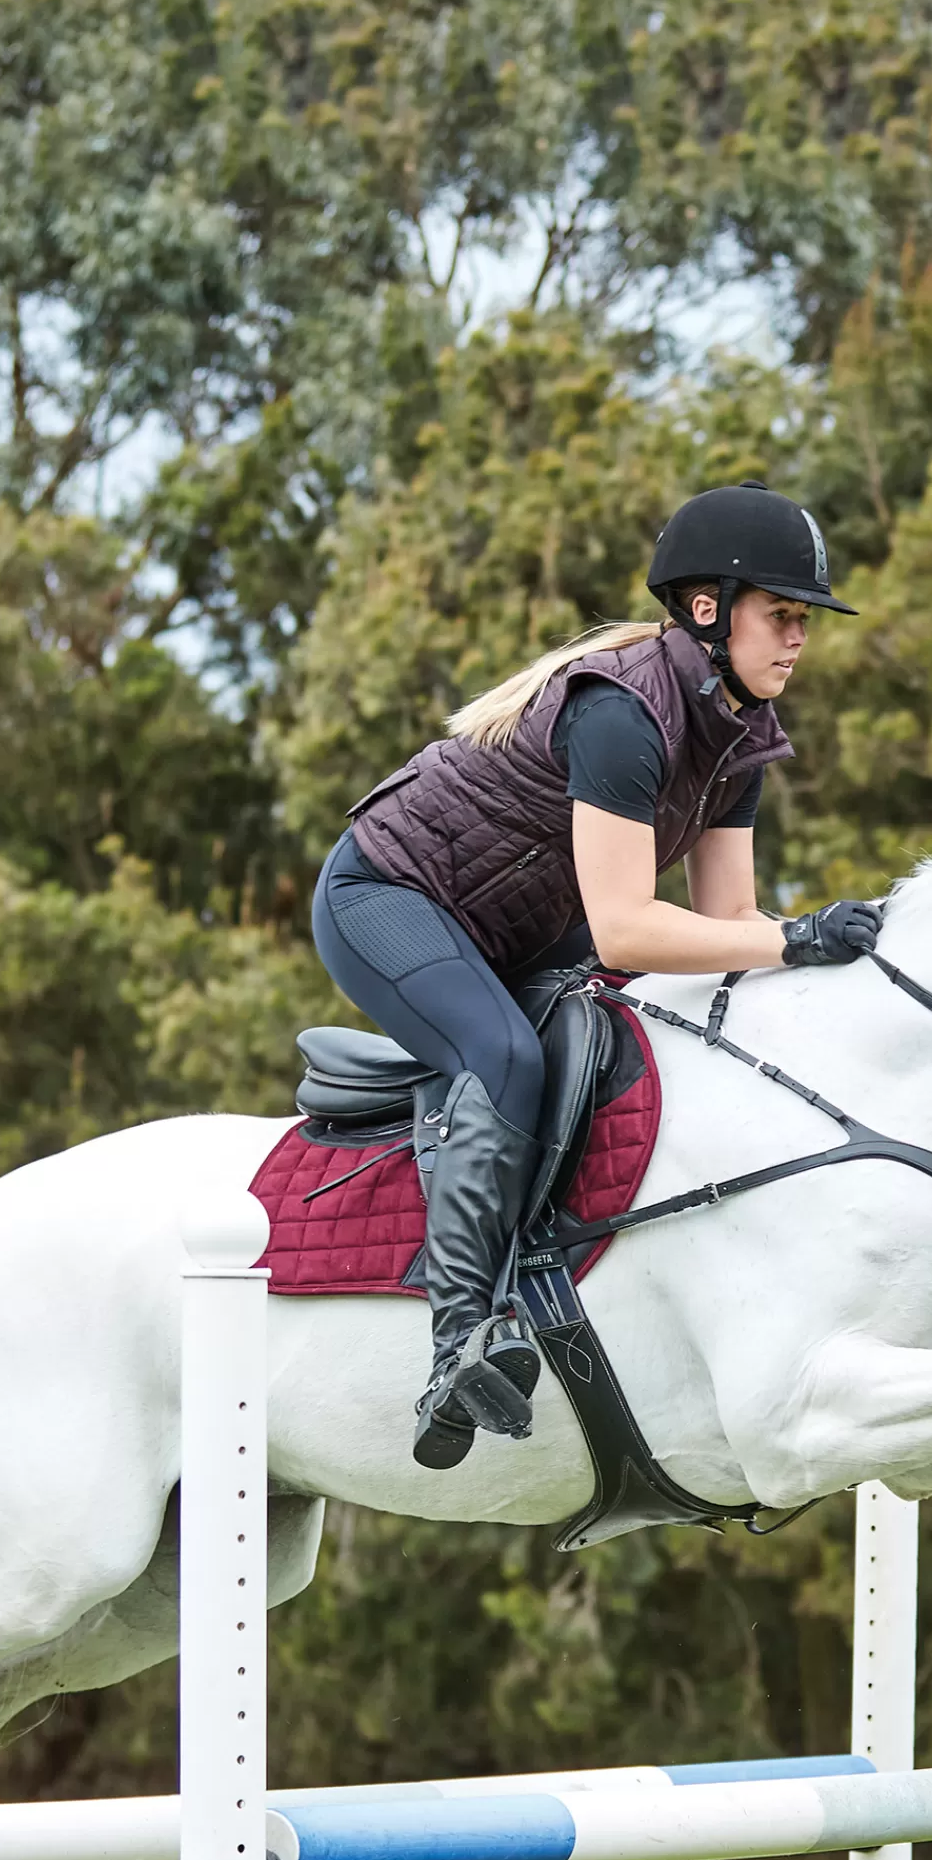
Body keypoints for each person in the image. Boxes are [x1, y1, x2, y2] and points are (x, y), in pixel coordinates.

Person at [312, 480, 882, 1470]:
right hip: (388, 898)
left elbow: (726, 923)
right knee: (500, 1057)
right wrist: (794, 940)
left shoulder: (739, 739)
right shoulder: (622, 714)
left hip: (521, 930)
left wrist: (812, 945)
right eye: (780, 615)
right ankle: (458, 1344)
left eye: (803, 621)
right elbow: (624, 928)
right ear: (707, 609)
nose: (798, 639)